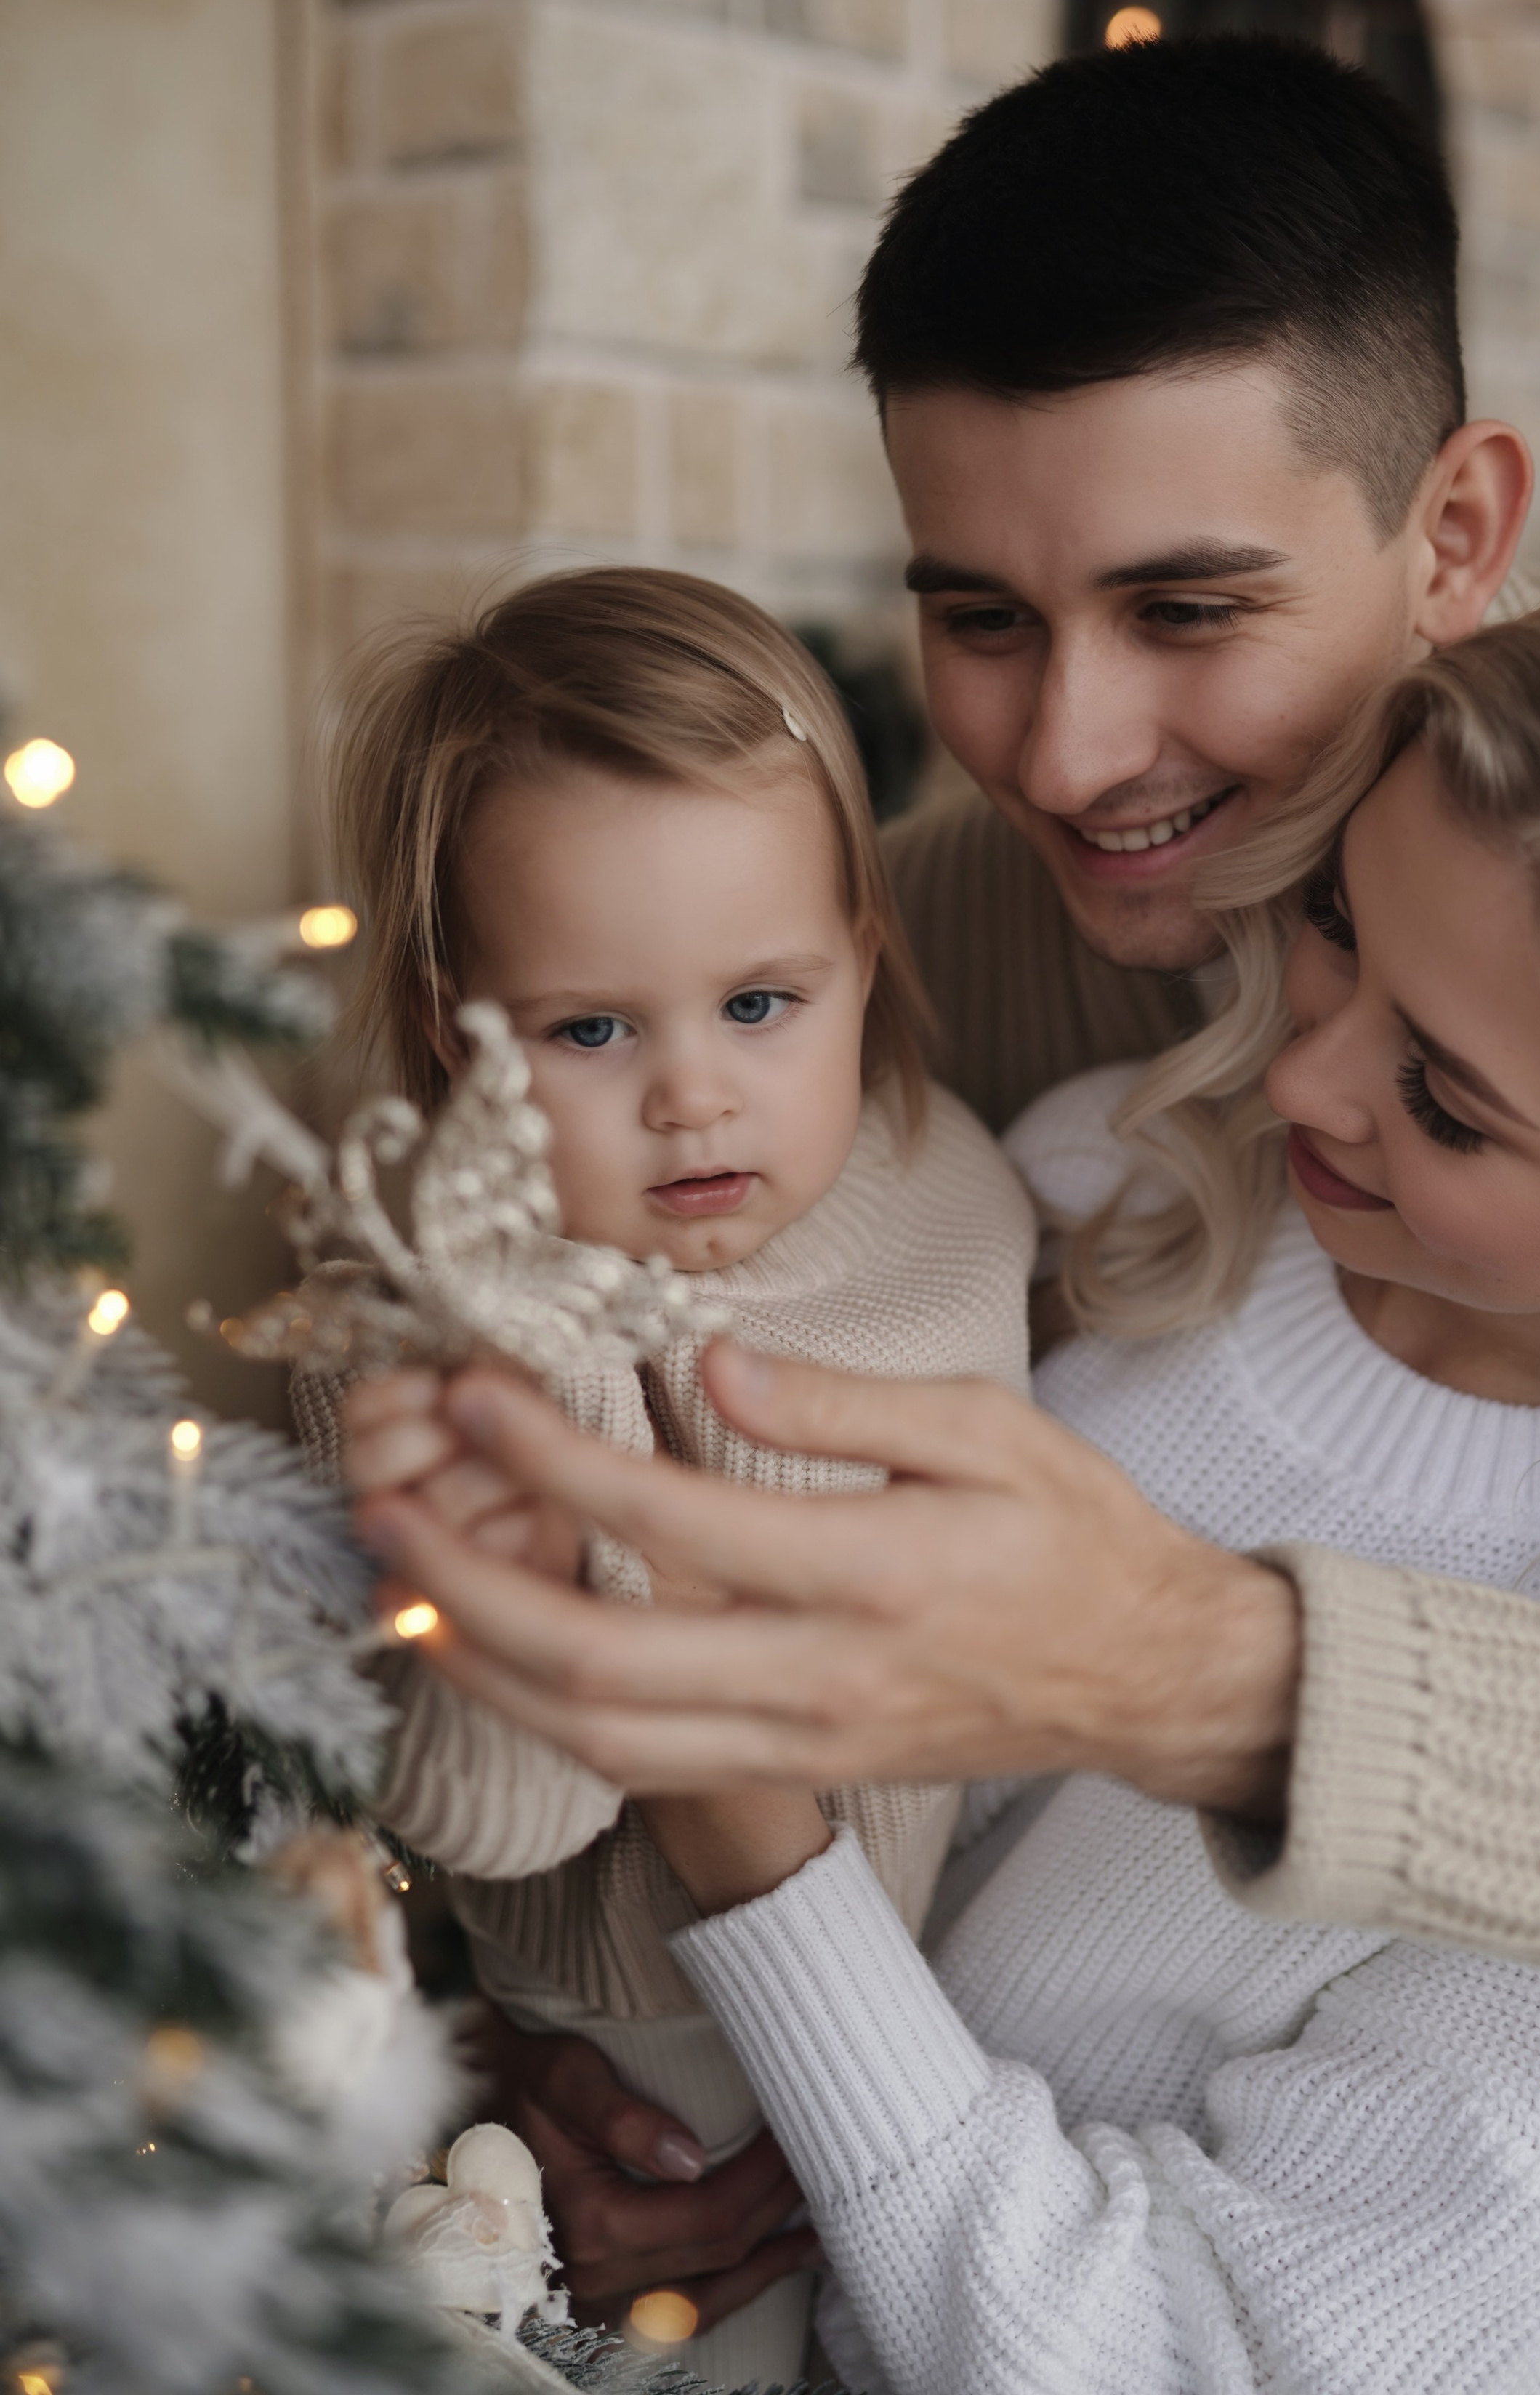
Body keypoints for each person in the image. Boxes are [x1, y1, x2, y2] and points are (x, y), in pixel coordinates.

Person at [358, 557, 1540, 2391]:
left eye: (1447, 1094)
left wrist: (744, 1850)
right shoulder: (1112, 1189)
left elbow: (1174, 2364)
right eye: (1330, 922)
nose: (1295, 1075)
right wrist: (533, 2088)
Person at [309, 568, 1034, 2381]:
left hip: (940, 1982)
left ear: (866, 955)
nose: (693, 1097)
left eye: (762, 1003)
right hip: (627, 2024)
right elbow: (494, 1825)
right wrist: (527, 1561)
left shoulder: (943, 1205)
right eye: (591, 1032)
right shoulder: (422, 1320)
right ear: (448, 1022)